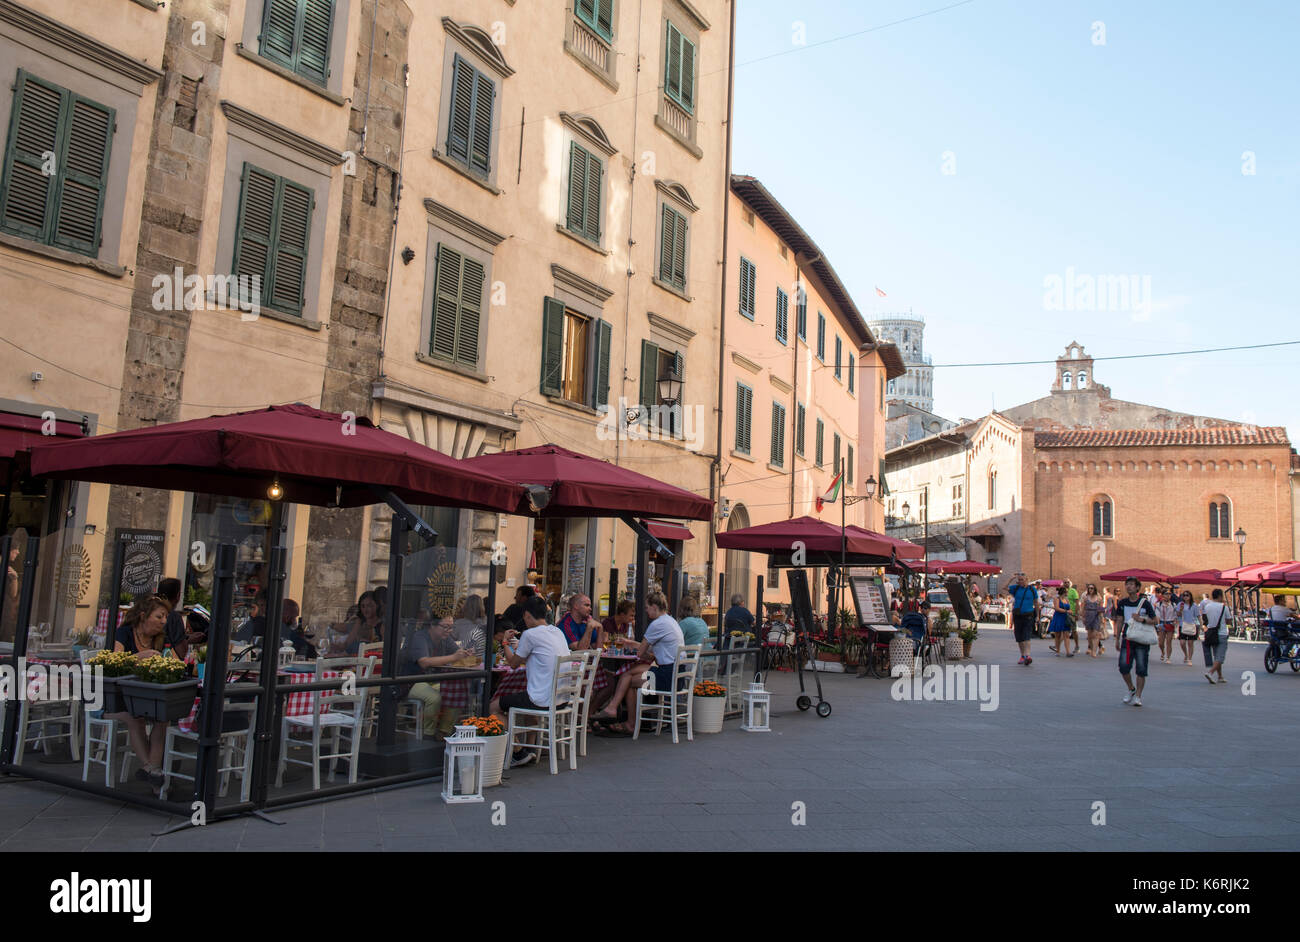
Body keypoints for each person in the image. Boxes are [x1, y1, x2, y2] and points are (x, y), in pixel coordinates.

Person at [491, 595, 571, 767]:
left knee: (494, 706)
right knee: (527, 701)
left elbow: (512, 664)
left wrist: (505, 642)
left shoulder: (530, 634)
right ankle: (531, 748)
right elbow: (538, 658)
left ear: (527, 615)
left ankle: (518, 751)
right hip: (561, 699)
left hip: (542, 699)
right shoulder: (557, 631)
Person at [592, 591, 684, 735]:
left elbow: (641, 654)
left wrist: (635, 647)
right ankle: (619, 713)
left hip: (666, 678)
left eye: (647, 607)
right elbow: (649, 652)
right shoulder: (670, 621)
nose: (646, 611)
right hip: (676, 674)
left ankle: (621, 716)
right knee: (628, 674)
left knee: (628, 679)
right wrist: (630, 643)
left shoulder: (657, 624)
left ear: (654, 606)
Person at [111, 595, 173, 785]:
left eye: (165, 618)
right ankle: (152, 769)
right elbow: (115, 663)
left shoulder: (160, 638)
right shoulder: (124, 633)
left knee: (163, 718)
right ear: (143, 616)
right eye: (159, 616)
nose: (163, 621)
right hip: (116, 698)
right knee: (134, 718)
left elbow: (174, 659)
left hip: (144, 696)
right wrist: (141, 656)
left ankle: (151, 771)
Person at [404, 616, 471, 738]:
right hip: (411, 681)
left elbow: (458, 653)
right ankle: (427, 734)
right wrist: (454, 657)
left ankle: (443, 732)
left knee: (456, 692)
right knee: (434, 698)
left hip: (433, 680)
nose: (449, 630)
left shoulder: (445, 638)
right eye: (445, 627)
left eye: (451, 627)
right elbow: (424, 662)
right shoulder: (420, 637)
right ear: (432, 625)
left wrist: (466, 654)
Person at [1115, 576, 1158, 706]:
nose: (1129, 586)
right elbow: (1120, 620)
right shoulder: (1122, 603)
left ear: (1138, 587)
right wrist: (1117, 637)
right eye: (1127, 584)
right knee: (1123, 667)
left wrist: (1142, 620)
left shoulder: (1144, 603)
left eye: (1132, 584)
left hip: (1141, 640)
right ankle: (1131, 688)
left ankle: (1138, 696)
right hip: (1127, 639)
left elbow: (1155, 620)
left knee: (1141, 669)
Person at [1007, 572, 1038, 666]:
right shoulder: (1016, 588)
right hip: (1017, 615)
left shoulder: (1032, 589)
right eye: (1019, 580)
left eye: (1022, 580)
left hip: (1028, 615)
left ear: (1027, 580)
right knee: (1019, 637)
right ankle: (1022, 655)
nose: (1020, 581)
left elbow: (1036, 603)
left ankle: (1028, 655)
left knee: (1026, 635)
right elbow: (1004, 588)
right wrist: (1010, 579)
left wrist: (1037, 616)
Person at [338, 590, 383, 654]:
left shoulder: (382, 625)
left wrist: (369, 644)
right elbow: (348, 643)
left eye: (369, 605)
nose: (365, 609)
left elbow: (384, 650)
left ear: (377, 605)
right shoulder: (360, 622)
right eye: (363, 606)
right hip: (354, 658)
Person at [1201, 589, 1231, 684]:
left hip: (1210, 633)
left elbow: (1205, 619)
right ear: (1220, 596)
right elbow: (1229, 620)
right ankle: (1210, 673)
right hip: (1221, 633)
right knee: (1220, 657)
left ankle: (1220, 676)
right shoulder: (1223, 607)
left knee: (1216, 655)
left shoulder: (1207, 606)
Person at [1153, 588, 1178, 663]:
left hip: (1170, 623)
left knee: (1169, 641)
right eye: (1166, 594)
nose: (1168, 595)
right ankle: (1163, 652)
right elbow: (1157, 615)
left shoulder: (1173, 604)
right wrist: (1158, 624)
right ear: (1163, 595)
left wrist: (1175, 621)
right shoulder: (1158, 604)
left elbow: (1175, 615)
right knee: (1161, 642)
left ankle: (1168, 657)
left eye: (1169, 594)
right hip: (1162, 623)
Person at [1176, 590, 1201, 665]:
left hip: (1191, 625)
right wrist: (1180, 609)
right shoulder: (1180, 604)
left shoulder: (1194, 605)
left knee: (1190, 643)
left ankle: (1190, 659)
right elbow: (1178, 615)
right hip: (1182, 625)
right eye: (1184, 595)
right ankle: (1186, 654)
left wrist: (1201, 625)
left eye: (1187, 595)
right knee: (1182, 642)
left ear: (1190, 597)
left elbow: (1198, 616)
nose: (1185, 597)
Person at [1049, 586, 1073, 655]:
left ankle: (1068, 652)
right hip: (1058, 617)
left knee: (1067, 635)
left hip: (1065, 618)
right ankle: (1058, 651)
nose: (1067, 593)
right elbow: (1056, 608)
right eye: (1066, 592)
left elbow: (1069, 608)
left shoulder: (1066, 600)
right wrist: (1066, 611)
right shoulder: (1057, 599)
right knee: (1058, 635)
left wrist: (1070, 611)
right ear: (1064, 592)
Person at [1082, 583, 1103, 657]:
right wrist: (1083, 617)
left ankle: (1094, 651)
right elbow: (1083, 608)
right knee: (1090, 635)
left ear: (1095, 589)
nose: (1090, 589)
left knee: (1095, 634)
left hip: (1096, 616)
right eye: (1089, 588)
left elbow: (1101, 609)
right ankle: (1091, 648)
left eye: (1092, 588)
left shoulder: (1099, 598)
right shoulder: (1086, 598)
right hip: (1088, 616)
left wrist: (1102, 619)